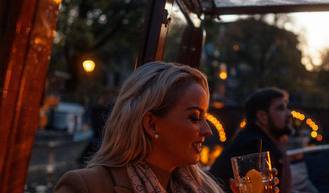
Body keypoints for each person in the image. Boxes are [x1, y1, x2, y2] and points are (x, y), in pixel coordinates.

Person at [54, 62, 222, 193]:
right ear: (151, 124)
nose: (208, 130)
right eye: (195, 117)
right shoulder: (85, 187)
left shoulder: (205, 188)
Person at [209, 88, 293, 193]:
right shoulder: (255, 147)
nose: (289, 113)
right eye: (281, 108)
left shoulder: (253, 139)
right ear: (262, 117)